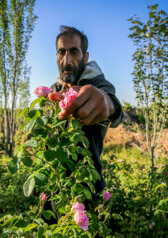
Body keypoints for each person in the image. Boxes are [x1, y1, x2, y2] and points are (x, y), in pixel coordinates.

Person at [50, 26, 123, 193]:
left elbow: (112, 105)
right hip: (54, 185)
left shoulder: (98, 84)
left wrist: (107, 104)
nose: (66, 61)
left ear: (85, 57)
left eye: (74, 52)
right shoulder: (53, 90)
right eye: (62, 52)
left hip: (87, 185)